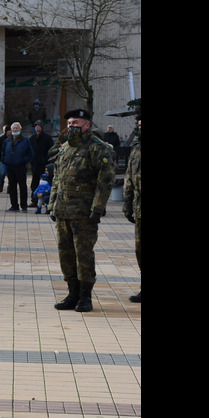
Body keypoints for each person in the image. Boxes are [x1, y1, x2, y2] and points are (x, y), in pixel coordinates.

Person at [49, 109, 115, 313]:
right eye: (69, 123)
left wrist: (97, 209)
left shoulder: (98, 148)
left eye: (75, 122)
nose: (71, 126)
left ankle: (85, 296)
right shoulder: (66, 148)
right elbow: (57, 179)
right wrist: (52, 204)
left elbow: (105, 181)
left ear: (86, 124)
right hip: (63, 211)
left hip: (84, 213)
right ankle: (72, 293)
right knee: (65, 254)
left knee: (83, 255)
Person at [122, 113, 141, 303]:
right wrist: (127, 205)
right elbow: (129, 178)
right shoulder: (136, 149)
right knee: (139, 250)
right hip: (139, 208)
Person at [2, 122, 34, 212]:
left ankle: (24, 206)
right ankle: (14, 206)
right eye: (13, 129)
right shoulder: (7, 140)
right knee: (12, 187)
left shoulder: (25, 140)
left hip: (20, 167)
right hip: (10, 167)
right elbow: (3, 152)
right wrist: (4, 160)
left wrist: (24, 161)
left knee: (22, 187)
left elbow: (30, 153)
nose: (15, 130)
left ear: (20, 130)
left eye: (17, 128)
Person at [29, 121, 54, 206]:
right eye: (36, 126)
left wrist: (47, 160)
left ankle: (46, 200)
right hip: (35, 164)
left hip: (44, 165)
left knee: (46, 183)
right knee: (34, 184)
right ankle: (34, 200)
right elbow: (29, 150)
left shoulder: (47, 138)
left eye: (39, 126)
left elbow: (51, 151)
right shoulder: (32, 138)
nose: (37, 128)